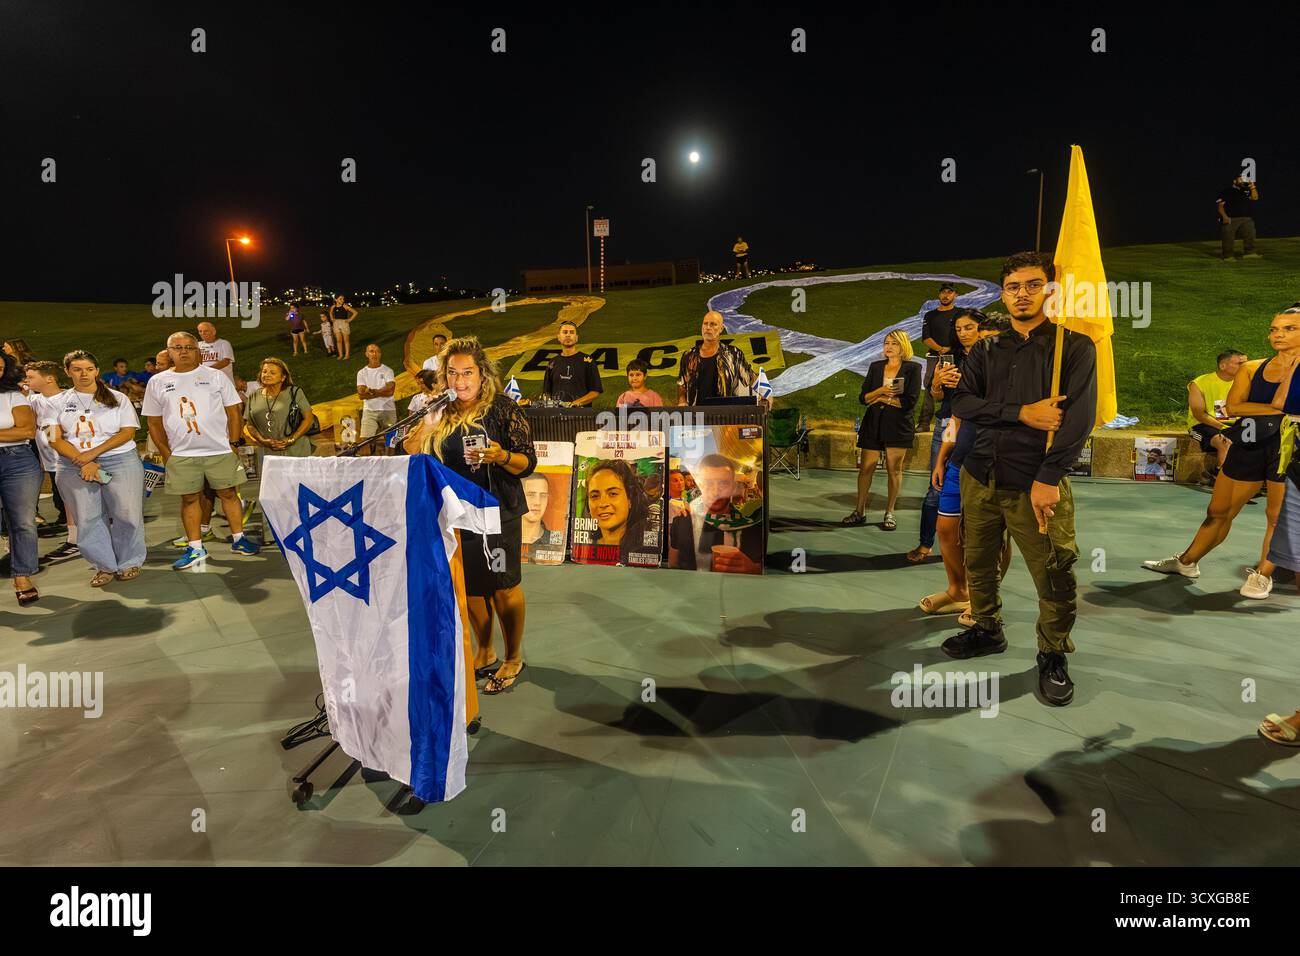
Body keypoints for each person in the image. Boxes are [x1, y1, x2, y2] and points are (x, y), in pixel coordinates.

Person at [946, 251, 1098, 708]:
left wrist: (1050, 478)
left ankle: (1052, 654)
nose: (1022, 294)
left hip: (1035, 480)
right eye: (1013, 287)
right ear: (1003, 293)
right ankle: (987, 627)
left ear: (1050, 289)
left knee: (1052, 572)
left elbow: (1077, 421)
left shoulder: (1073, 348)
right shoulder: (987, 349)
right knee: (979, 559)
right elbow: (962, 404)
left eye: (1033, 284)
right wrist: (1022, 413)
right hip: (980, 473)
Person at [1143, 304, 1300, 599]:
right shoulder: (1252, 367)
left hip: (1291, 448)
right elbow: (1234, 407)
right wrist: (1283, 410)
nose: (1278, 334)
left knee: (1276, 517)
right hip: (1250, 441)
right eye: (1274, 328)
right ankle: (1186, 562)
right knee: (1218, 511)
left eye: (1289, 329)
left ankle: (1262, 576)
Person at [420, 336, 536, 694]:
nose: (460, 381)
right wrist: (427, 423)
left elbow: (527, 463)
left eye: (467, 372)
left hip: (497, 510)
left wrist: (501, 456)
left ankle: (513, 656)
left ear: (482, 374)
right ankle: (484, 651)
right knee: (470, 589)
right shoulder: (440, 413)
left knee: (502, 586)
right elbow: (410, 453)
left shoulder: (502, 408)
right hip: (458, 514)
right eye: (452, 373)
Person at [921, 313, 1014, 624]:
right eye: (980, 342)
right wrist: (941, 457)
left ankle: (983, 597)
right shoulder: (971, 374)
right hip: (960, 461)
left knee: (990, 537)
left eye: (989, 341)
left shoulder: (1015, 378)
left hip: (996, 466)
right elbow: (956, 420)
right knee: (946, 529)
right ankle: (957, 590)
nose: (982, 347)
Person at [144, 331, 259, 570]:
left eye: (189, 346)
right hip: (183, 454)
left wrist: (234, 443)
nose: (183, 351)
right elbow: (154, 423)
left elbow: (234, 412)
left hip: (219, 449)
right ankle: (196, 548)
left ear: (198, 350)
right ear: (169, 351)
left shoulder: (215, 376)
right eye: (178, 347)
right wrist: (167, 453)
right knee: (189, 499)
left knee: (228, 494)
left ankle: (239, 539)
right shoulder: (158, 381)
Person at [48, 351, 147, 587]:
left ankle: (129, 561)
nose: (84, 374)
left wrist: (92, 455)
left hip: (119, 460)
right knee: (87, 518)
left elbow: (127, 432)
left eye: (89, 369)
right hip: (73, 465)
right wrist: (83, 460)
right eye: (77, 369)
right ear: (67, 372)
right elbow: (53, 437)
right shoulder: (54, 403)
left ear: (97, 371)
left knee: (127, 513)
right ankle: (104, 565)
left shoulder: (117, 398)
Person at [910, 308, 981, 562]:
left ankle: (969, 547)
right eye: (959, 329)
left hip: (978, 427)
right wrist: (938, 383)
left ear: (980, 328)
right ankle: (926, 543)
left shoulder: (992, 357)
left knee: (975, 489)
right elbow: (937, 396)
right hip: (948, 422)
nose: (963, 333)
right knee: (936, 485)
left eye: (969, 328)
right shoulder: (950, 356)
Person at [841, 330, 921, 531]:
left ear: (903, 345)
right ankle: (859, 511)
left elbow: (909, 402)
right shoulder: (876, 367)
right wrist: (881, 392)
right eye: (886, 342)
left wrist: (878, 398)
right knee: (866, 468)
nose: (889, 346)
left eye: (894, 343)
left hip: (899, 425)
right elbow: (863, 398)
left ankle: (890, 512)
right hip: (873, 423)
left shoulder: (913, 368)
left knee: (894, 470)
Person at [668, 453, 763, 573]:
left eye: (723, 483)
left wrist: (755, 570)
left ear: (733, 487)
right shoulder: (682, 522)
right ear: (700, 485)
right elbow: (673, 566)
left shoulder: (752, 529)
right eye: (708, 483)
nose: (715, 491)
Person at [0, 352, 42, 605]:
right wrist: (8, 431)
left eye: (1, 366)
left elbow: (27, 430)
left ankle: (23, 577)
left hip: (17, 461)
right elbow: (15, 429)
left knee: (23, 522)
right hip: (13, 452)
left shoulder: (12, 395)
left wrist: (13, 433)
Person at [23, 362, 73, 543]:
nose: (26, 380)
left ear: (50, 378)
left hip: (70, 456)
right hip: (50, 458)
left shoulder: (68, 398)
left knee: (74, 492)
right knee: (58, 490)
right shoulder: (34, 400)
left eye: (31, 377)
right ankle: (67, 524)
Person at [242, 358, 315, 468]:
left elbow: (308, 419)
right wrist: (263, 441)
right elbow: (250, 425)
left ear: (283, 377)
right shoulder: (253, 396)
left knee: (298, 484)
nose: (267, 375)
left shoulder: (294, 393)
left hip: (296, 451)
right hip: (269, 453)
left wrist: (291, 439)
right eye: (264, 371)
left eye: (272, 372)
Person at [676, 311, 758, 406]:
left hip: (726, 415)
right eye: (705, 324)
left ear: (721, 329)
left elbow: (751, 377)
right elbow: (682, 385)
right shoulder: (688, 356)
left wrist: (767, 394)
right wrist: (682, 401)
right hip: (697, 416)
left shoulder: (733, 354)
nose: (708, 327)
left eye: (713, 324)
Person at [1188, 349, 1246, 479]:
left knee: (1260, 441)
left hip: (1234, 424)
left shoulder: (1245, 383)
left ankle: (1253, 481)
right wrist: (1223, 428)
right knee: (1226, 442)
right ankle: (1222, 479)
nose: (1245, 367)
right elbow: (1199, 414)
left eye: (1246, 363)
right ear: (1223, 366)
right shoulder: (1199, 383)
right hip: (1203, 424)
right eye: (1239, 363)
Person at [584, 458, 654, 564]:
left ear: (630, 499)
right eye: (595, 496)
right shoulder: (584, 550)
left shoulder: (647, 550)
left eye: (613, 494)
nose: (603, 504)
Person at [917, 282, 958, 433]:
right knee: (929, 385)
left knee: (954, 386)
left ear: (955, 295)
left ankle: (951, 423)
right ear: (939, 294)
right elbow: (925, 337)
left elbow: (962, 335)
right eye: (943, 292)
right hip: (935, 356)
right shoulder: (930, 315)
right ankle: (923, 423)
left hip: (956, 356)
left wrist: (951, 349)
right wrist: (941, 349)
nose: (946, 295)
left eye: (949, 292)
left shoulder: (960, 313)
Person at [538, 321, 602, 406]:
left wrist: (575, 403)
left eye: (571, 332)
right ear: (558, 337)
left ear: (576, 338)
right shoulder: (552, 362)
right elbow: (546, 393)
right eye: (565, 332)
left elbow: (595, 391)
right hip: (556, 415)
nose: (568, 335)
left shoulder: (587, 361)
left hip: (581, 415)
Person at [356, 343, 397, 456]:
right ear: (366, 354)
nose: (374, 354)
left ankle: (391, 463)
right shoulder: (362, 373)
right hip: (370, 410)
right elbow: (361, 395)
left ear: (380, 354)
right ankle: (370, 465)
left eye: (377, 351)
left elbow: (390, 391)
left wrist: (371, 391)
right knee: (365, 441)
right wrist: (381, 391)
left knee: (391, 440)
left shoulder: (388, 371)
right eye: (371, 351)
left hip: (388, 409)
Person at [1217, 175, 1261, 261]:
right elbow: (1220, 206)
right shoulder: (1227, 191)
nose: (1242, 180)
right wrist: (1224, 217)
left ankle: (1249, 253)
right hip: (1231, 218)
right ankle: (1228, 256)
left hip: (1246, 218)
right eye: (1240, 179)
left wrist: (1252, 186)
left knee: (1250, 236)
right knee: (1228, 238)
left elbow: (1255, 198)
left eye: (1244, 179)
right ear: (1234, 181)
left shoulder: (1245, 191)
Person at [521, 473, 563, 549]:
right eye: (531, 495)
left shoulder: (557, 541)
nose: (538, 502)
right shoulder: (504, 537)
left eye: (543, 496)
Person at [329, 295, 359, 361]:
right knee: (338, 341)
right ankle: (340, 355)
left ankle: (347, 355)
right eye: (340, 299)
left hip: (344, 323)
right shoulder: (333, 307)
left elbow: (355, 312)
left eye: (343, 299)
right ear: (336, 300)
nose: (342, 300)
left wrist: (349, 320)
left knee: (346, 340)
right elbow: (330, 312)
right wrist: (331, 318)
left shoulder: (345, 306)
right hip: (336, 323)